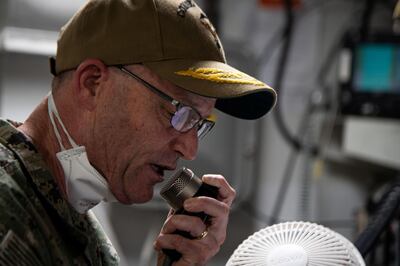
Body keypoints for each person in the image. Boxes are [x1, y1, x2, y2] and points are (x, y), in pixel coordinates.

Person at [0, 0, 276, 265]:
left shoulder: (84, 237)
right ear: (92, 84)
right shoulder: (7, 206)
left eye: (199, 123)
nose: (190, 150)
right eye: (178, 113)